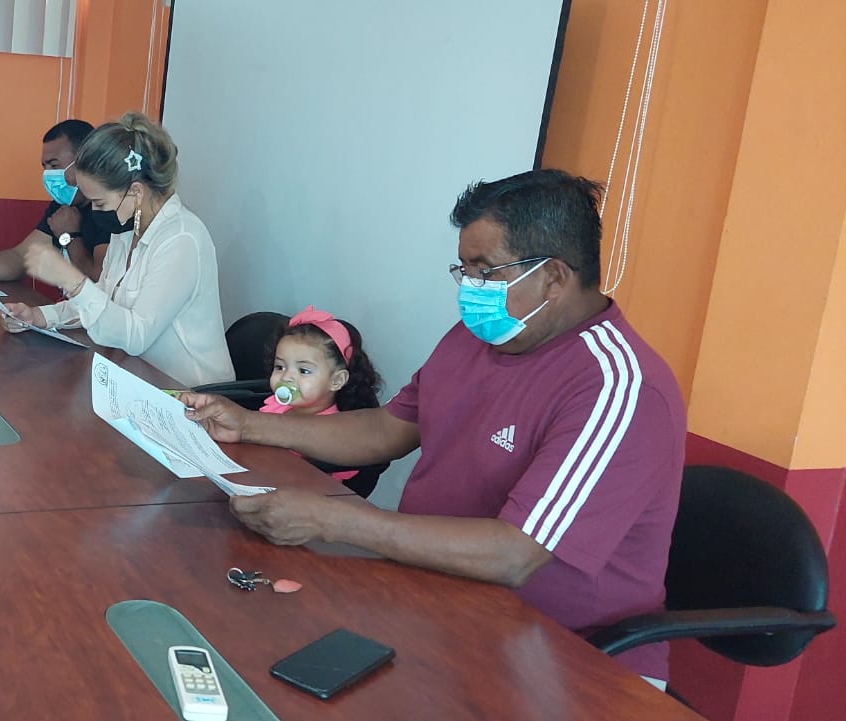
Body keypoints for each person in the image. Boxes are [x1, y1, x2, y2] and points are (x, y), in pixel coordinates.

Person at [180, 169, 685, 686]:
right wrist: (249, 425)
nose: (470, 289)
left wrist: (334, 521)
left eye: (486, 271)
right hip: (438, 598)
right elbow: (386, 430)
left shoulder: (617, 386)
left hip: (566, 659)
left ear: (553, 277)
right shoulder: (476, 338)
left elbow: (515, 555)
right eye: (464, 270)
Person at [3, 112, 232, 387]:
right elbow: (103, 299)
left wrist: (72, 281)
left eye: (100, 203)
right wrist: (40, 316)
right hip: (141, 381)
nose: (95, 211)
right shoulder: (127, 231)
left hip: (192, 394)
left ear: (136, 192)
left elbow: (136, 336)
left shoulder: (181, 239)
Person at [0, 119, 130, 284]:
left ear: (84, 160)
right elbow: (19, 258)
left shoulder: (109, 208)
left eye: (54, 165)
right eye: (44, 167)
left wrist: (69, 236)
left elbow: (100, 280)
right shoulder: (63, 206)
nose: (48, 174)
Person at [258, 306, 384, 495]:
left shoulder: (334, 432)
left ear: (336, 381)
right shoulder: (275, 407)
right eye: (280, 367)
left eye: (303, 371)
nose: (287, 377)